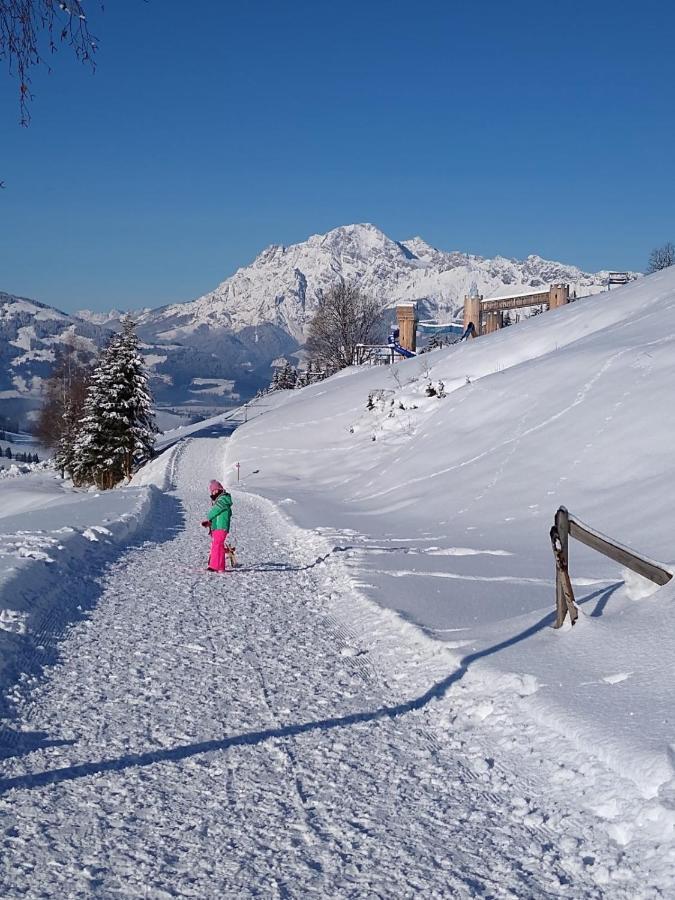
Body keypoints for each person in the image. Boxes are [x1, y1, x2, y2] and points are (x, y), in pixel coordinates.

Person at [201, 480, 233, 572]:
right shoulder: (220, 500)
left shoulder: (223, 499)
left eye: (216, 490)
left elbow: (217, 510)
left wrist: (209, 516)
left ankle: (214, 566)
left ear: (220, 489)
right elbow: (218, 515)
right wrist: (210, 523)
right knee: (218, 545)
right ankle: (220, 566)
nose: (214, 492)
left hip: (221, 526)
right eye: (212, 491)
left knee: (217, 545)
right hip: (218, 527)